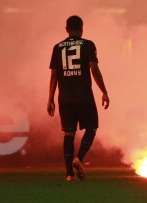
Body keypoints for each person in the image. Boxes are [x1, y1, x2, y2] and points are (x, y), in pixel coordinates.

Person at [47, 15, 110, 181]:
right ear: (81, 28)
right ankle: (79, 158)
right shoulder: (88, 45)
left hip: (65, 98)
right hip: (84, 97)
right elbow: (94, 70)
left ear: (66, 29)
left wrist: (50, 99)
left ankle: (68, 174)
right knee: (92, 128)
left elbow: (54, 75)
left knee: (69, 134)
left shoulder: (57, 47)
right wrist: (104, 91)